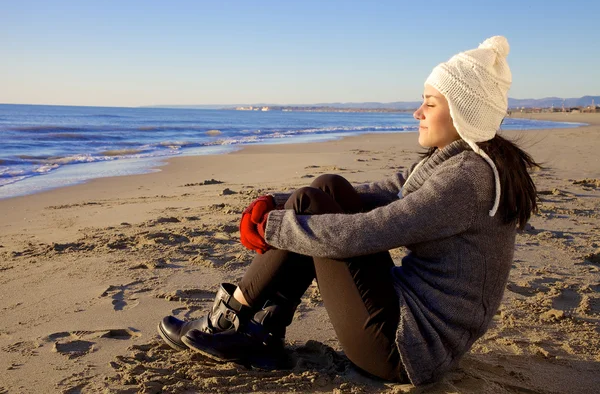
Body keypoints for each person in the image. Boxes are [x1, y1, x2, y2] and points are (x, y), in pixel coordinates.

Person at [158, 36, 540, 386]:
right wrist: (275, 202)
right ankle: (264, 331)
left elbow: (371, 231)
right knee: (327, 188)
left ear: (462, 112)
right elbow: (387, 191)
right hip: (416, 334)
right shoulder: (466, 161)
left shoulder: (466, 179)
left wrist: (272, 227)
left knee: (312, 207)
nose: (417, 112)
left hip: (403, 352)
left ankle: (226, 320)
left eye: (430, 102)